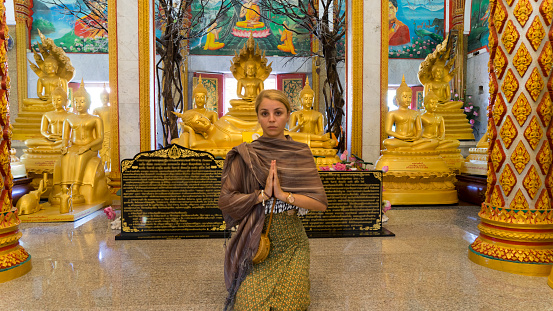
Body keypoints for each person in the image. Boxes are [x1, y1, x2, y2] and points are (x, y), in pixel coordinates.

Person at [219, 89, 328, 310]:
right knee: (249, 305)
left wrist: (283, 195)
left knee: (290, 304)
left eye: (278, 113)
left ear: (288, 115)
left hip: (292, 242)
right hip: (256, 241)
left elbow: (320, 204)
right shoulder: (246, 154)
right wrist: (262, 195)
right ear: (257, 116)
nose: (271, 119)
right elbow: (226, 200)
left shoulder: (300, 152)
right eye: (264, 113)